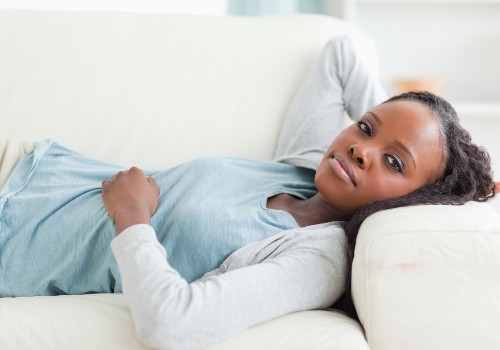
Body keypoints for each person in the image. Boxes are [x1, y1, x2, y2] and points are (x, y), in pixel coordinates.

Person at [0, 37, 495, 350]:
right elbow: (342, 54)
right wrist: (411, 124)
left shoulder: (316, 259)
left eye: (393, 162)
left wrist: (133, 218)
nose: (362, 149)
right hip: (22, 162)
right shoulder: (306, 165)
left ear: (412, 200)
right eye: (364, 127)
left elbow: (171, 326)